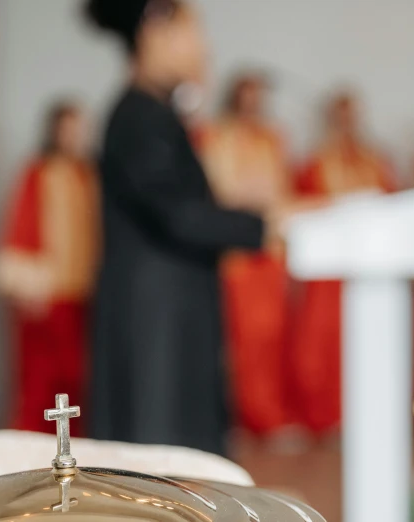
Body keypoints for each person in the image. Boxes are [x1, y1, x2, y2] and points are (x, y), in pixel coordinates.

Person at [83, 0, 303, 456]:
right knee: (158, 472)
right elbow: (178, 214)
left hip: (172, 320)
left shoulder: (156, 114)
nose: (205, 47)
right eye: (194, 31)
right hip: (155, 333)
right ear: (154, 33)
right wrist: (268, 226)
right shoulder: (139, 116)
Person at [0, 100, 100, 436]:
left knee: (77, 377)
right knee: (39, 378)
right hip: (44, 295)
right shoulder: (38, 173)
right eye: (68, 129)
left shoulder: (88, 176)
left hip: (81, 293)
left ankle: (73, 448)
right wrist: (26, 285)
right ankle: (32, 449)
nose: (75, 137)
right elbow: (21, 227)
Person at [198, 73, 295, 445]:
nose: (253, 105)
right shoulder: (215, 136)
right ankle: (237, 420)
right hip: (233, 252)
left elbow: (282, 190)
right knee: (236, 341)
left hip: (267, 251)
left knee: (270, 338)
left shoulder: (272, 138)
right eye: (247, 97)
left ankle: (269, 417)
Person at [292, 91, 395, 438]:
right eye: (341, 116)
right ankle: (323, 416)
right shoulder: (316, 162)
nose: (347, 124)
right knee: (321, 345)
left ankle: (365, 413)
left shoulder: (375, 160)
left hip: (369, 267)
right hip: (327, 271)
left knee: (366, 342)